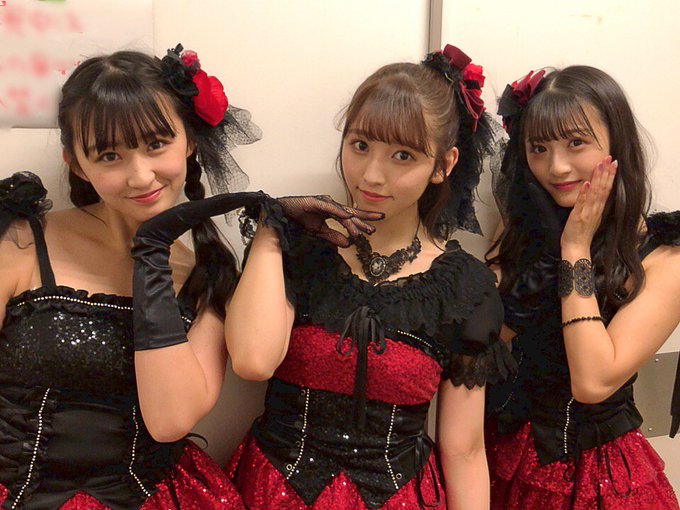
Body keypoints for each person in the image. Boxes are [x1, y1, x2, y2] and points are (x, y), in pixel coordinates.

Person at [224, 44, 514, 509]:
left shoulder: (466, 288)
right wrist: (272, 225)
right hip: (273, 492)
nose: (372, 176)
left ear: (443, 165)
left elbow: (464, 449)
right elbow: (252, 361)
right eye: (360, 146)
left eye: (403, 155)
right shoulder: (298, 249)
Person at [0, 43, 268, 509]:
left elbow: (170, 420)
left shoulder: (210, 275)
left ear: (189, 139)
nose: (140, 176)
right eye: (109, 156)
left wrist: (152, 252)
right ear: (76, 163)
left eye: (155, 144)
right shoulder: (20, 240)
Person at [485, 65, 680, 509]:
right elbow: (484, 342)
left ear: (616, 143)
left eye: (576, 143)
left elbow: (592, 382)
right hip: (503, 461)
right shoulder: (519, 231)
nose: (556, 167)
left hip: (599, 481)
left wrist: (574, 247)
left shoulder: (665, 257)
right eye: (538, 148)